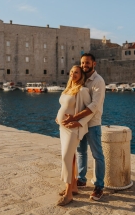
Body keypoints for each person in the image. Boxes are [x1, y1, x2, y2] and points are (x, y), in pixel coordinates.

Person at [62, 53, 106, 201]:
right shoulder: (82, 78)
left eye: (87, 63)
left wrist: (74, 117)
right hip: (80, 123)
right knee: (81, 152)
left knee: (97, 155)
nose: (84, 65)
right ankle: (81, 179)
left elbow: (94, 105)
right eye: (82, 63)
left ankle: (99, 186)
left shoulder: (98, 81)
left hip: (92, 123)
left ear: (94, 63)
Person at [55, 65, 93, 206]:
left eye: (76, 72)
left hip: (72, 129)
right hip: (63, 128)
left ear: (81, 75)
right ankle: (74, 187)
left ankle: (68, 194)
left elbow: (91, 111)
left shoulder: (82, 90)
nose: (73, 74)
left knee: (66, 157)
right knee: (71, 158)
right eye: (71, 71)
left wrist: (79, 123)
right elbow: (63, 106)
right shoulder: (67, 89)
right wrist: (58, 116)